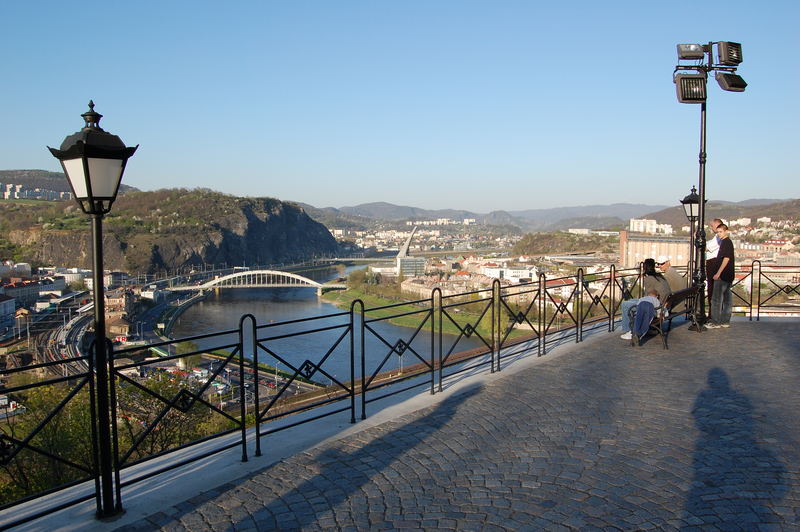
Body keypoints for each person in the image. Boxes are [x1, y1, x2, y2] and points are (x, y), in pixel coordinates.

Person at [620, 258, 672, 340]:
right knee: (630, 301)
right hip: (664, 303)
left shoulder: (649, 278)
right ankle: (635, 329)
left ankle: (630, 330)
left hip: (657, 306)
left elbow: (648, 295)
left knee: (625, 304)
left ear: (645, 268)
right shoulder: (659, 276)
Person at [707, 223, 734, 329]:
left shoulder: (725, 242)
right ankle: (725, 321)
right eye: (717, 232)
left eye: (720, 232)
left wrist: (718, 273)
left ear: (726, 231)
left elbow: (726, 258)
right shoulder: (727, 242)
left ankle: (715, 321)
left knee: (716, 299)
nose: (718, 234)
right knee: (727, 299)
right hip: (728, 274)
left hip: (722, 275)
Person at [705, 218, 723, 311]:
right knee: (712, 288)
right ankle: (713, 312)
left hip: (713, 263)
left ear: (716, 225)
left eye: (712, 226)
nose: (711, 228)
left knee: (712, 289)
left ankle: (713, 313)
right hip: (713, 263)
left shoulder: (718, 237)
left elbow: (707, 247)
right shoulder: (717, 237)